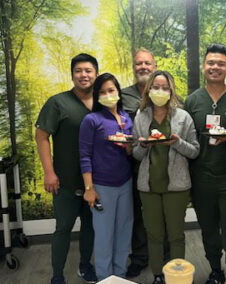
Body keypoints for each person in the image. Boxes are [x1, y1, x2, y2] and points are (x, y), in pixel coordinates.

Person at [184, 44, 226, 284]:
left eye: (220, 63)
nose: (215, 67)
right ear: (204, 66)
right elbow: (186, 138)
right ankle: (215, 270)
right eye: (211, 63)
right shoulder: (192, 101)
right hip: (200, 176)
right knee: (209, 230)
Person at [35, 53, 98, 284]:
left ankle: (85, 266)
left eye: (88, 70)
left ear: (96, 74)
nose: (84, 75)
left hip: (95, 181)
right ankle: (57, 274)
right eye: (79, 70)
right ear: (72, 75)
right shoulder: (57, 102)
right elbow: (41, 137)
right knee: (63, 228)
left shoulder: (103, 103)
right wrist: (49, 172)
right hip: (65, 181)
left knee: (90, 227)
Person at [133, 70, 200, 284]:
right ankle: (158, 276)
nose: (160, 91)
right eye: (155, 87)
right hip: (149, 186)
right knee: (153, 235)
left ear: (171, 91)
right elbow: (135, 153)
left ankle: (177, 277)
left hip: (177, 187)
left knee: (176, 235)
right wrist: (142, 145)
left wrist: (177, 142)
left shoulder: (183, 117)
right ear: (148, 90)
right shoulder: (141, 116)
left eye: (164, 87)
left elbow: (195, 151)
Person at [79, 73, 134, 281]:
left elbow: (129, 152)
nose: (108, 95)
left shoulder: (127, 118)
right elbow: (84, 156)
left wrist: (129, 145)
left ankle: (120, 275)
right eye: (102, 92)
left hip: (125, 183)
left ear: (118, 92)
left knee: (123, 232)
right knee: (104, 237)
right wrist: (89, 188)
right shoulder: (91, 120)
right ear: (96, 96)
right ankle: (104, 278)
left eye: (111, 90)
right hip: (102, 186)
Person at [121, 48, 157, 278]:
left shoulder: (168, 92)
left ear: (155, 66)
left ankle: (163, 256)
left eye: (147, 63)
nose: (142, 67)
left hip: (164, 163)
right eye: (138, 63)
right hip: (132, 163)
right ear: (133, 67)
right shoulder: (123, 95)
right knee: (136, 213)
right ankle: (140, 257)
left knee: (160, 213)